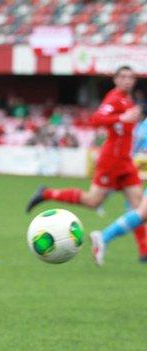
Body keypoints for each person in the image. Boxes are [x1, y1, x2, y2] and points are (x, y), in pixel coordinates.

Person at [26, 66, 147, 263]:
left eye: (130, 77)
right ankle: (47, 193)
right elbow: (96, 119)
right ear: (115, 80)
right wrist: (120, 117)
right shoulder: (114, 98)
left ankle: (144, 251)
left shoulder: (128, 100)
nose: (127, 80)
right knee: (94, 201)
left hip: (125, 160)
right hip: (112, 160)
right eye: (123, 76)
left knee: (139, 206)